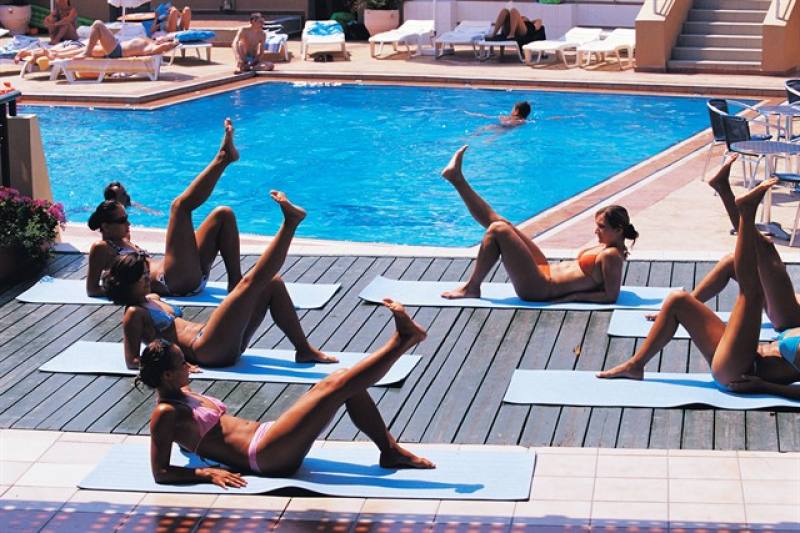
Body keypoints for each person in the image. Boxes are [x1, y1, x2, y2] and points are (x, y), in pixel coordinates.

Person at [138, 298, 433, 486]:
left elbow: (192, 438)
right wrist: (205, 473)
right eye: (182, 363)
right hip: (265, 457)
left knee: (342, 381)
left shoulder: (181, 391)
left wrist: (195, 448)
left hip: (268, 436)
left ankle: (389, 451)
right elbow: (160, 472)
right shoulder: (165, 413)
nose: (189, 366)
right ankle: (401, 341)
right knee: (338, 384)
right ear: (167, 375)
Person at [599, 179, 800, 399]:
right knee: (678, 300)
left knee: (752, 293)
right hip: (736, 357)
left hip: (741, 373)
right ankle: (635, 365)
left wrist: (763, 386)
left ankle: (746, 213)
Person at [103, 190, 338, 368]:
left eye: (146, 275)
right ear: (127, 284)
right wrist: (176, 365)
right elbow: (132, 360)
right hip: (205, 349)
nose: (147, 279)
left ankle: (304, 350)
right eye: (142, 278)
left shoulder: (152, 298)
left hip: (218, 341)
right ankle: (289, 224)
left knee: (271, 283)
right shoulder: (134, 313)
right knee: (251, 283)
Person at [440, 146, 638, 303]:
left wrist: (573, 297)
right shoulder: (609, 247)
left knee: (498, 229)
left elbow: (610, 296)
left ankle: (472, 287)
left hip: (539, 288)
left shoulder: (612, 256)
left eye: (602, 227)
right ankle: (457, 179)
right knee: (502, 223)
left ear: (618, 230)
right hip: (543, 269)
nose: (596, 231)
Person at [86, 119, 243, 298]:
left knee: (223, 214)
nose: (128, 223)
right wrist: (129, 291)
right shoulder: (101, 247)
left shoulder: (124, 241)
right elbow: (92, 289)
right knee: (179, 207)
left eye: (126, 218)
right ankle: (223, 158)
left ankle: (235, 282)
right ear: (105, 227)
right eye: (122, 220)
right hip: (171, 281)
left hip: (186, 275)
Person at [648, 155, 800, 331]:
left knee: (764, 249)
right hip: (790, 306)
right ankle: (683, 306)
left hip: (792, 319)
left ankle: (733, 197)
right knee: (732, 261)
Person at [75, 20, 179, 59]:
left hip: (116, 50)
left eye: (162, 40)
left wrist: (175, 42)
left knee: (98, 24)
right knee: (83, 46)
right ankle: (68, 55)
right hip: (116, 46)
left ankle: (86, 53)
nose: (160, 38)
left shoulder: (152, 47)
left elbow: (166, 47)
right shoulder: (150, 41)